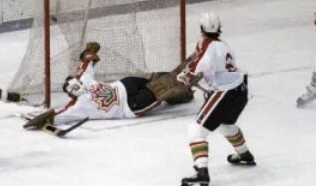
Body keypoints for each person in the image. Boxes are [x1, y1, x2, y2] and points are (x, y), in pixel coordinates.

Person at [23, 42, 194, 130]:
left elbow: (87, 60)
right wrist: (40, 120)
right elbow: (56, 115)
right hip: (128, 97)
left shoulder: (81, 91)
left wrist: (90, 51)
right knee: (160, 86)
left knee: (159, 83)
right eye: (73, 88)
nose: (76, 87)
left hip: (128, 93)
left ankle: (179, 89)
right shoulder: (78, 99)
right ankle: (180, 89)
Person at [176, 13, 254, 186]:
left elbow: (203, 62)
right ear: (219, 29)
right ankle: (244, 154)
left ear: (202, 29)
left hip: (225, 92)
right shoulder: (224, 45)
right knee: (225, 125)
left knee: (196, 131)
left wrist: (188, 75)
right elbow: (215, 67)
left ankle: (202, 173)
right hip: (241, 89)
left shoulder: (205, 43)